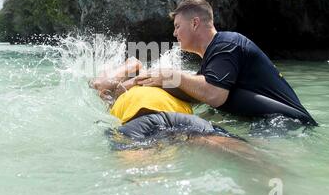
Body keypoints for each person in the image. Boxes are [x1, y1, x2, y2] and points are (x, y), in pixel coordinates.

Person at [135, 0, 317, 126]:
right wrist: (153, 81)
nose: (174, 34)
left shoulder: (227, 44)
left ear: (195, 23)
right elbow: (196, 94)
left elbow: (214, 94)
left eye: (177, 26)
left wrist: (172, 75)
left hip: (286, 123)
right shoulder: (213, 60)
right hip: (273, 123)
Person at [89, 57, 258, 160]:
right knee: (141, 176)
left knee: (245, 154)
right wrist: (130, 72)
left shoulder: (164, 79)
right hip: (145, 124)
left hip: (171, 119)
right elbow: (98, 85)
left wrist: (136, 71)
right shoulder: (117, 93)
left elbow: (202, 93)